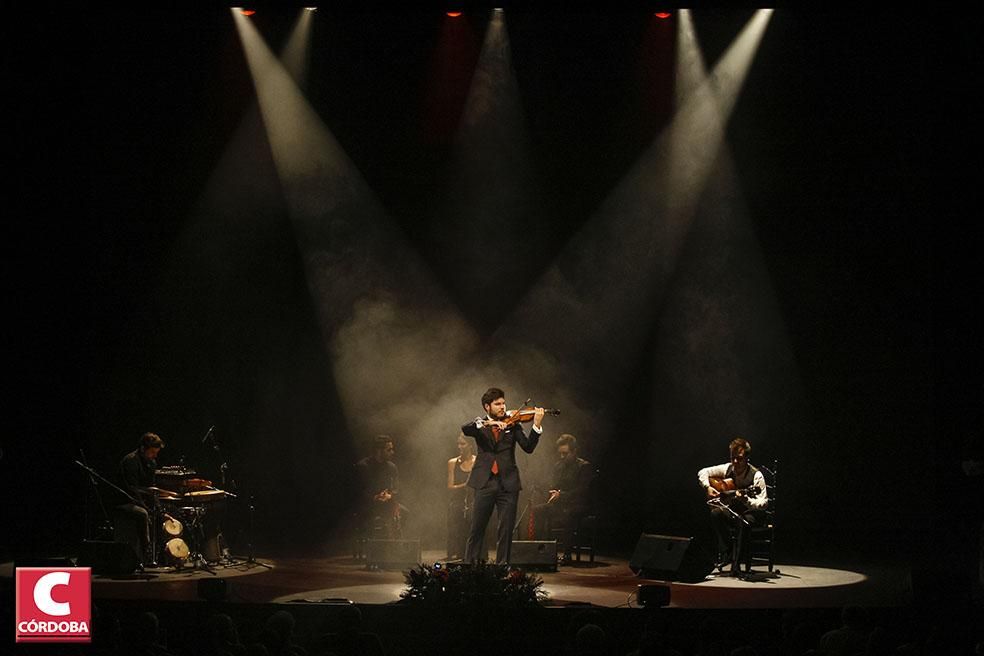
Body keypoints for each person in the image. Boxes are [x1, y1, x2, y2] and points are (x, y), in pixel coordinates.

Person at [462, 387, 544, 564]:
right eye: (497, 404)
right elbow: (466, 428)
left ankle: (502, 569)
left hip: (508, 484)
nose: (502, 407)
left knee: (506, 530)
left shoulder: (513, 425)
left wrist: (536, 425)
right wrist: (489, 423)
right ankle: (470, 568)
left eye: (503, 403)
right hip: (484, 482)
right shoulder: (480, 425)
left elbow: (528, 447)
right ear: (487, 407)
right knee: (477, 529)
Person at [697, 437, 768, 574]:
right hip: (734, 511)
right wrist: (707, 487)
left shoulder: (756, 475)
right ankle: (728, 552)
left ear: (747, 458)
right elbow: (702, 472)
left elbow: (763, 503)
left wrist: (746, 500)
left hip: (752, 513)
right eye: (733, 457)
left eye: (739, 458)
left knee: (744, 521)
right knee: (716, 513)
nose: (735, 462)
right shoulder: (728, 468)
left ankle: (737, 562)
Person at [534, 434, 595, 558]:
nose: (562, 457)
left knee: (568, 514)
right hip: (561, 504)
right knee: (538, 510)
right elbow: (554, 484)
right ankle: (541, 551)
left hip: (578, 505)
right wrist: (550, 491)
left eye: (565, 454)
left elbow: (582, 491)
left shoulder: (584, 467)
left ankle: (567, 553)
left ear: (574, 451)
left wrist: (561, 495)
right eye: (560, 453)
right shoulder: (559, 466)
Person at [116, 432, 166, 567]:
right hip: (126, 501)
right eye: (152, 452)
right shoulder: (130, 461)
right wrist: (146, 507)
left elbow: (152, 488)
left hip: (142, 501)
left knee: (163, 514)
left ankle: (162, 555)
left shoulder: (151, 463)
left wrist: (160, 509)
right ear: (143, 449)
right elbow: (132, 489)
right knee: (143, 514)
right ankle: (145, 556)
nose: (155, 455)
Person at [355, 435, 407, 538]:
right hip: (368, 504)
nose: (392, 452)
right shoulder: (364, 466)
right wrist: (376, 497)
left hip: (386, 503)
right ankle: (375, 545)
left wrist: (390, 495)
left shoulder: (391, 467)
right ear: (379, 451)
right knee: (375, 516)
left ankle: (394, 544)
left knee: (405, 512)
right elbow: (359, 491)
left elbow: (396, 488)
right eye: (389, 450)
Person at [447, 432, 476, 560]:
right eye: (458, 444)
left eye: (463, 444)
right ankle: (456, 553)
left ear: (470, 445)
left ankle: (473, 553)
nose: (459, 446)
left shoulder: (477, 461)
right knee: (456, 511)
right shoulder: (453, 462)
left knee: (474, 515)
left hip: (473, 500)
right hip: (458, 501)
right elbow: (450, 486)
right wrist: (465, 484)